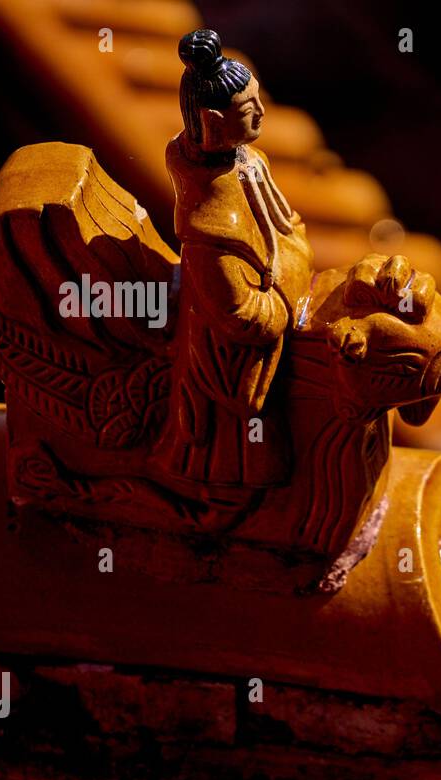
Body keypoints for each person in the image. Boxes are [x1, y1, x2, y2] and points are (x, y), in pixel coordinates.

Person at [156, 29, 314, 490]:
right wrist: (288, 281)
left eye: (258, 100)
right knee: (243, 452)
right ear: (211, 120)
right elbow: (243, 318)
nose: (263, 114)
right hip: (236, 360)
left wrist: (285, 262)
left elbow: (294, 227)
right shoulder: (209, 227)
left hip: (279, 300)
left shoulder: (252, 162)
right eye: (248, 110)